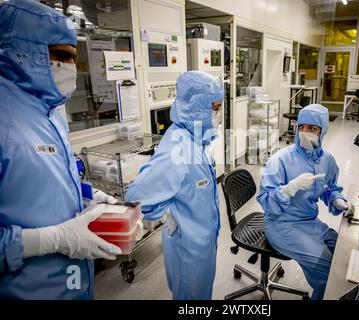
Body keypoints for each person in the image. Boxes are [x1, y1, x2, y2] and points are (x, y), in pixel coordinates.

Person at [0, 0, 121, 299]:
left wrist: (88, 195)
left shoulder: (52, 111)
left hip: (74, 283)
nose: (70, 68)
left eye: (73, 59)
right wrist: (51, 240)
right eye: (61, 56)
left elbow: (37, 183)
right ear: (22, 49)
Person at [125, 71, 224, 300]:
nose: (218, 115)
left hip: (202, 242)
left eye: (220, 107)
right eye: (215, 108)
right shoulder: (176, 150)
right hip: (188, 249)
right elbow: (137, 198)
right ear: (197, 108)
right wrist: (169, 213)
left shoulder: (196, 138)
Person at [257, 104, 349, 300]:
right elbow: (266, 201)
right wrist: (290, 188)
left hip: (310, 222)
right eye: (302, 127)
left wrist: (337, 199)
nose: (305, 133)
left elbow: (329, 188)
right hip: (282, 224)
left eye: (312, 129)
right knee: (328, 275)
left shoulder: (328, 160)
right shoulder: (280, 160)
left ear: (322, 131)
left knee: (344, 257)